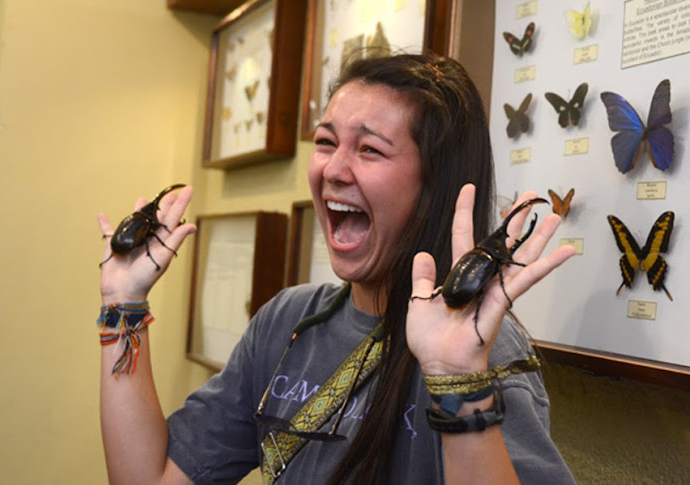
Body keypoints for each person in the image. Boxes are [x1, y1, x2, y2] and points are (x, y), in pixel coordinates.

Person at [97, 53, 576, 484]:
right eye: (326, 142)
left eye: (370, 150)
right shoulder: (287, 320)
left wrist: (458, 379)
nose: (333, 169)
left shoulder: (483, 348)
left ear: (433, 187)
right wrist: (122, 306)